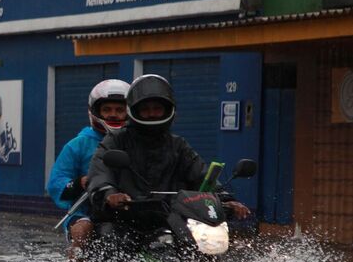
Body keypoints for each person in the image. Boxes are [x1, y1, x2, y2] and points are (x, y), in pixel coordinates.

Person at [87, 74, 250, 220]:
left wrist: (226, 200)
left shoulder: (178, 145)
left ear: (168, 110)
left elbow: (200, 173)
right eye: (145, 109)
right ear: (134, 110)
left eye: (157, 109)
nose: (151, 114)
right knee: (109, 237)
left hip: (171, 217)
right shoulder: (115, 141)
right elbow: (100, 174)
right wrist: (110, 194)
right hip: (123, 217)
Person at [47, 79, 130, 261]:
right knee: (82, 232)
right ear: (95, 112)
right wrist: (81, 182)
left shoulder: (138, 143)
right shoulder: (77, 145)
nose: (113, 115)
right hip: (86, 212)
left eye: (119, 110)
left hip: (131, 208)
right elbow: (55, 182)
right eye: (107, 110)